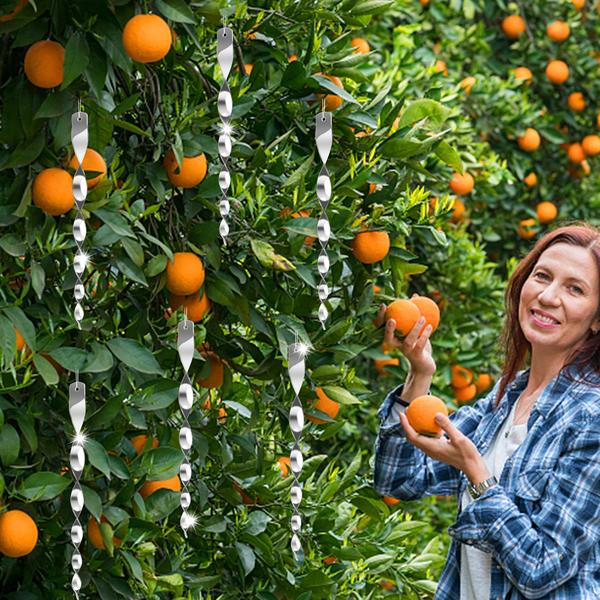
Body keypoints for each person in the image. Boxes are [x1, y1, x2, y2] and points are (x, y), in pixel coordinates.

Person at [373, 223, 600, 599]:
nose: (547, 296)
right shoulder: (504, 400)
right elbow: (398, 479)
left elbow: (541, 569)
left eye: (574, 289)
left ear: (596, 319)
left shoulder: (591, 418)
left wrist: (476, 473)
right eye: (542, 276)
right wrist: (420, 373)